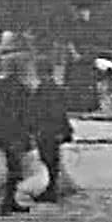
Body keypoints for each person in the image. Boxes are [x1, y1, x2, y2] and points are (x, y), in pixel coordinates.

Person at [0, 35, 34, 216]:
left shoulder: (1, 87)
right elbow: (23, 115)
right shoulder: (20, 89)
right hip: (13, 134)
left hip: (4, 133)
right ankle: (3, 202)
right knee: (15, 170)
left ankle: (6, 201)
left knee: (13, 169)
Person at [29, 51, 73, 204]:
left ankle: (51, 191)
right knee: (52, 161)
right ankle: (52, 190)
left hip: (46, 130)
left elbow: (42, 112)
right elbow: (62, 112)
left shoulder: (43, 90)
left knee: (48, 161)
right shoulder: (55, 89)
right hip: (53, 130)